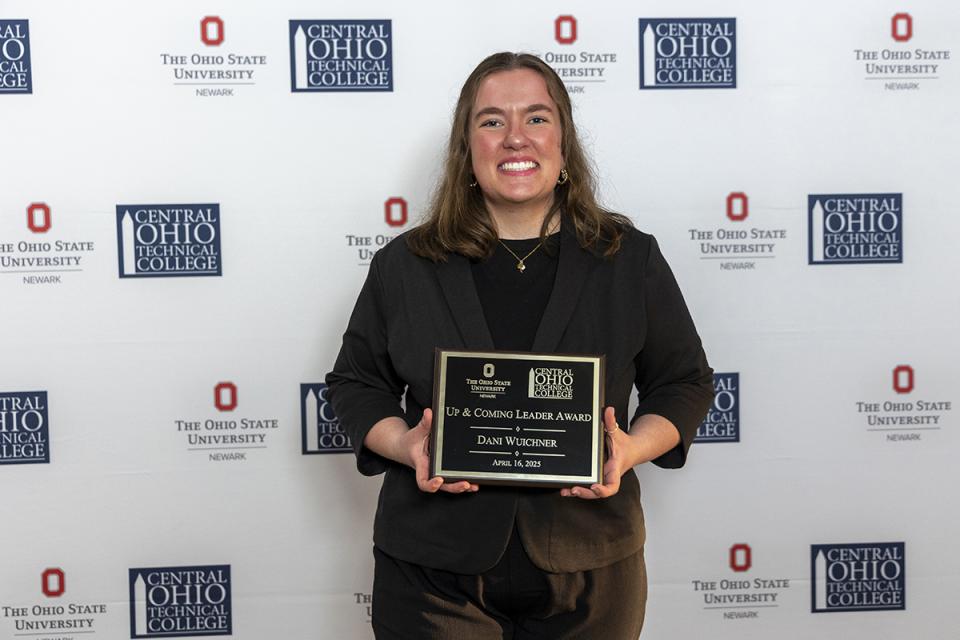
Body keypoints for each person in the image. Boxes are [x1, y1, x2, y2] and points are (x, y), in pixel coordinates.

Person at [326, 52, 713, 639]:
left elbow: (683, 381)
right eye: (491, 121)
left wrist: (631, 448)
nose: (515, 138)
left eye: (536, 118)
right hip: (434, 568)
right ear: (466, 148)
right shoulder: (405, 264)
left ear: (563, 141)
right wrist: (405, 445)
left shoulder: (628, 259)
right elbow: (357, 383)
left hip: (590, 565)